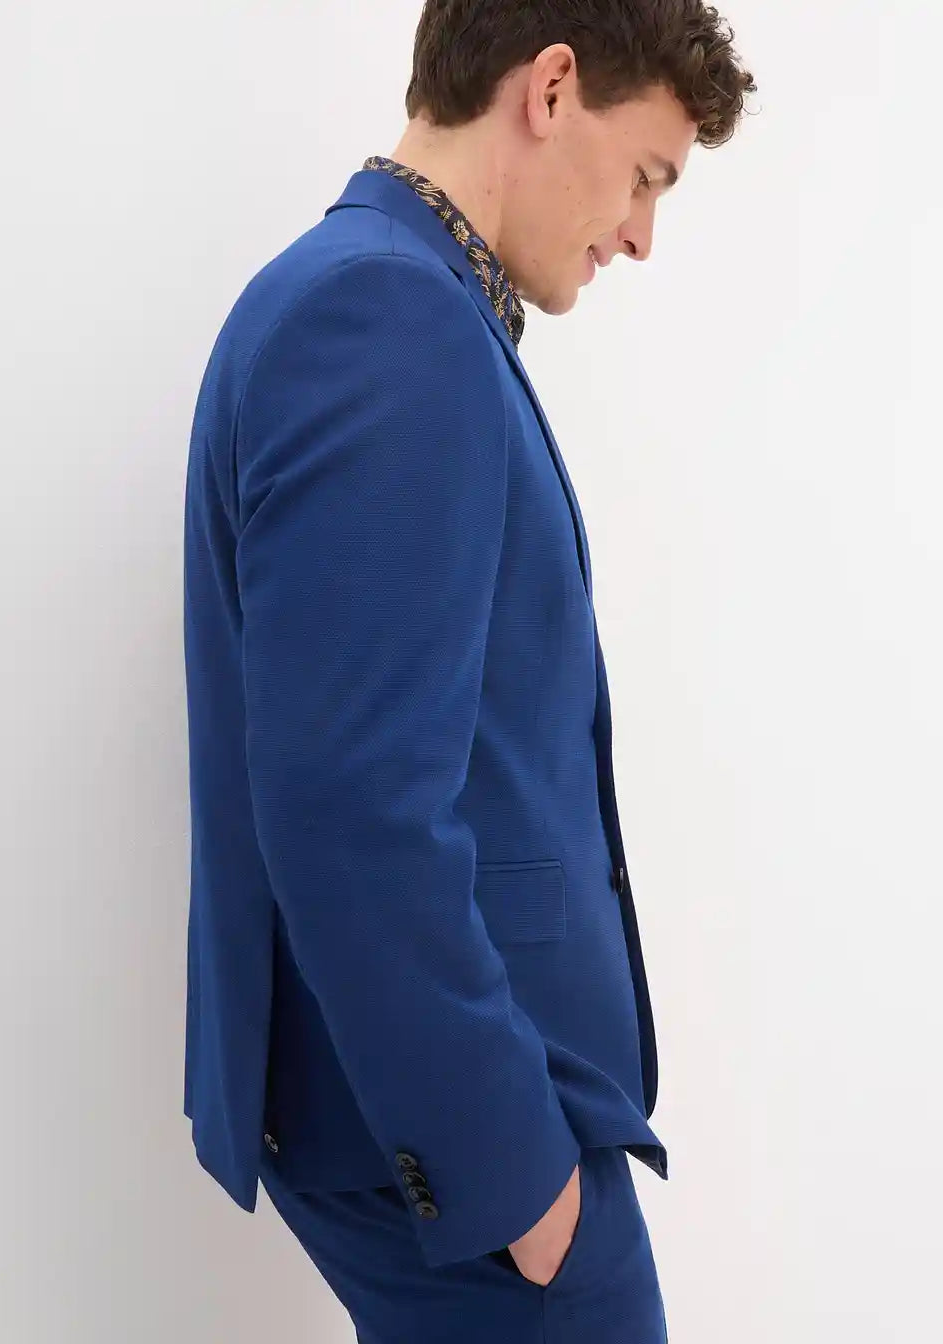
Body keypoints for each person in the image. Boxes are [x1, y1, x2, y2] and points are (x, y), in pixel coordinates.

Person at [181, 2, 756, 1339]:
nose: (640, 234)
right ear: (550, 89)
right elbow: (353, 811)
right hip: (472, 1160)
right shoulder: (384, 319)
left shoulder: (387, 299)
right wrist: (516, 1181)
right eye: (645, 175)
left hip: (459, 1134)